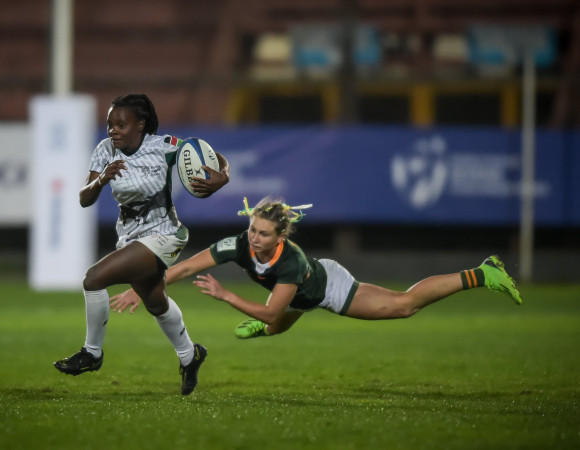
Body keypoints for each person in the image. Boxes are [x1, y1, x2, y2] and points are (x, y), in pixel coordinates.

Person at [110, 197, 522, 343]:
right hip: (293, 297)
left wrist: (227, 296)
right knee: (274, 323)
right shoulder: (237, 243)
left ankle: (483, 273)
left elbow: (274, 309)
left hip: (325, 289)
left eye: (263, 234)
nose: (253, 238)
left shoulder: (291, 261)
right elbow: (182, 269)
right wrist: (141, 289)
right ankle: (265, 330)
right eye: (252, 228)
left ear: (280, 236)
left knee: (404, 306)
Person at [53, 93, 229, 396]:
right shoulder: (105, 150)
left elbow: (207, 154)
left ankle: (92, 353)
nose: (113, 130)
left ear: (141, 125)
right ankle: (190, 355)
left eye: (121, 124)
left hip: (166, 234)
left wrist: (222, 177)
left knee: (94, 279)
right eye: (110, 124)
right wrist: (101, 180)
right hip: (130, 235)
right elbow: (84, 198)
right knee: (155, 302)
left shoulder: (163, 146)